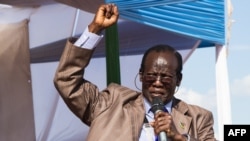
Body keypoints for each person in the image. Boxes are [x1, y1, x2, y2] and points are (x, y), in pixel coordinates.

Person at [54, 3, 216, 141]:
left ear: (178, 79)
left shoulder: (198, 118)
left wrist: (180, 137)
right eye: (151, 76)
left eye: (166, 77)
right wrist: (94, 30)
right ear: (141, 75)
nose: (158, 82)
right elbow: (66, 80)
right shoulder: (111, 103)